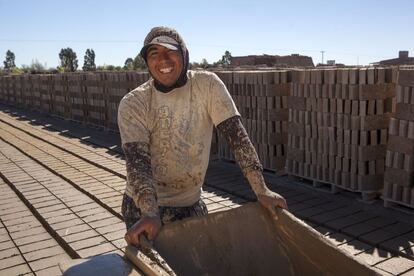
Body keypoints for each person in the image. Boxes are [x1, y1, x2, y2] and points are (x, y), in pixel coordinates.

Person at [118, 26, 288, 247]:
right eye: (154, 54)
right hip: (143, 206)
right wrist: (150, 213)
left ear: (184, 54)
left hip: (190, 202)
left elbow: (238, 139)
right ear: (147, 62)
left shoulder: (207, 86)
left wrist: (261, 190)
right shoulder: (134, 103)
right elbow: (137, 164)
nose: (163, 60)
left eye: (171, 51)